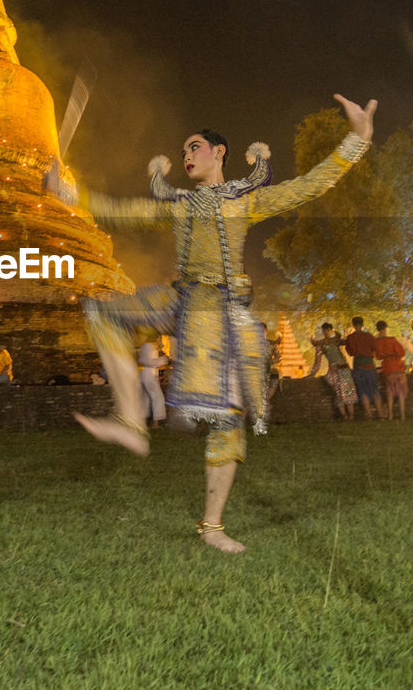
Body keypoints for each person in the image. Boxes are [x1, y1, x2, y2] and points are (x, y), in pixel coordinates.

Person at [47, 93, 375, 553]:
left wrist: (358, 138)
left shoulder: (247, 200)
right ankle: (129, 421)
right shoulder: (179, 205)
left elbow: (310, 185)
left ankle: (212, 527)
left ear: (220, 152)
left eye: (194, 147)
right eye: (183, 151)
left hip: (220, 312)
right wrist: (69, 193)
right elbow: (124, 209)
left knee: (226, 419)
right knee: (103, 313)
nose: (186, 156)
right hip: (180, 296)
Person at [316, 323, 357, 420]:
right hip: (334, 370)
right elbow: (317, 362)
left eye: (328, 330)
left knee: (349, 391)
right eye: (324, 330)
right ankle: (344, 416)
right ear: (322, 332)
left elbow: (348, 343)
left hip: (344, 368)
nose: (326, 332)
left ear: (331, 330)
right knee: (338, 392)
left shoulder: (336, 341)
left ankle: (351, 415)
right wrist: (313, 372)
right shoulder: (321, 344)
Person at [343, 316, 379, 419]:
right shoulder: (369, 336)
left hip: (358, 364)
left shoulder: (351, 337)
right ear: (363, 325)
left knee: (362, 390)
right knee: (374, 389)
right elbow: (375, 349)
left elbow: (350, 353)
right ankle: (381, 414)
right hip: (370, 364)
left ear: (353, 325)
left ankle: (369, 414)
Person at [373, 321, 408, 420]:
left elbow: (378, 357)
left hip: (388, 368)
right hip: (398, 366)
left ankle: (390, 415)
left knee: (390, 392)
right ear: (385, 329)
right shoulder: (392, 340)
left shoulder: (377, 342)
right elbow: (402, 352)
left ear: (378, 329)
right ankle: (402, 415)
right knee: (401, 392)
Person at [138, 340, 169, 428]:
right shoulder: (148, 346)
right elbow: (150, 361)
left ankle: (142, 422)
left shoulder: (148, 345)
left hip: (149, 374)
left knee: (146, 398)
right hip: (149, 374)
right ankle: (155, 424)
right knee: (158, 397)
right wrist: (164, 359)